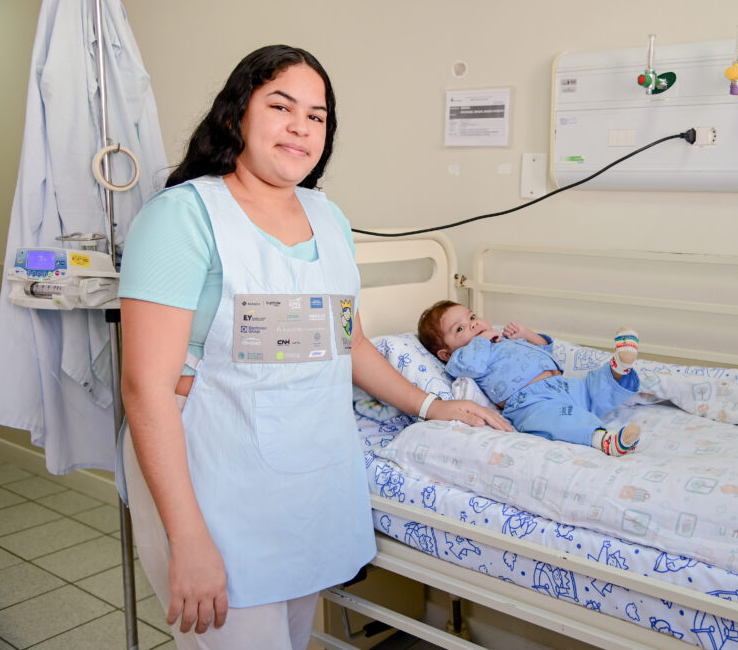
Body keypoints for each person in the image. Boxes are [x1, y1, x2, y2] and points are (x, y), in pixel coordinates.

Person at [117, 45, 510, 650]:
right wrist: (188, 537)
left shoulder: (328, 220)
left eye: (317, 115)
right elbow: (145, 388)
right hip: (211, 482)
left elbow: (347, 342)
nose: (301, 126)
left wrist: (432, 405)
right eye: (281, 106)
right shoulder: (181, 219)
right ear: (235, 115)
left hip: (305, 482)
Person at [417, 300, 643, 456]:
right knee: (558, 420)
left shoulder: (502, 339)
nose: (474, 324)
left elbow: (545, 348)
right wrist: (482, 339)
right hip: (531, 401)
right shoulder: (461, 357)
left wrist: (526, 334)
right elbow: (471, 365)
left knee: (594, 386)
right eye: (460, 329)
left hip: (563, 385)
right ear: (445, 354)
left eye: (472, 317)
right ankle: (603, 440)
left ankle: (619, 367)